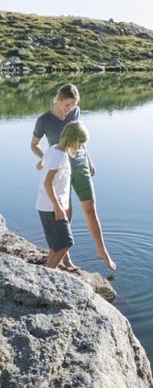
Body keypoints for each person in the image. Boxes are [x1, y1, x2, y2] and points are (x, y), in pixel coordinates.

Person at [31, 83, 116, 270]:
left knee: (90, 208)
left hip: (80, 164)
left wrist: (89, 160)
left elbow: (79, 137)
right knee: (65, 213)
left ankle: (102, 250)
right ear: (58, 99)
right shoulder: (44, 120)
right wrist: (46, 159)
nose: (69, 108)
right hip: (61, 169)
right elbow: (34, 145)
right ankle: (65, 256)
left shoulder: (75, 112)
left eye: (73, 104)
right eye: (67, 104)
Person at [36, 121, 87, 268]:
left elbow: (39, 166)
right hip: (52, 207)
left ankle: (48, 269)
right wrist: (57, 207)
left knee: (56, 245)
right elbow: (48, 183)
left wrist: (43, 163)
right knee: (66, 243)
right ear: (73, 140)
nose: (80, 147)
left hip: (47, 205)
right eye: (80, 143)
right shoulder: (59, 156)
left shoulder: (53, 149)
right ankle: (49, 273)